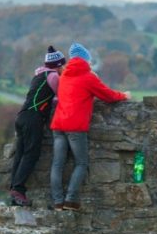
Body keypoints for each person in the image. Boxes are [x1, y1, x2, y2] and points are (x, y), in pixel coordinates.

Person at [49, 42, 130, 211]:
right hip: (75, 126)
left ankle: (57, 202)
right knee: (81, 163)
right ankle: (71, 200)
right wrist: (124, 95)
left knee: (57, 164)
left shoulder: (64, 75)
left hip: (58, 124)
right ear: (86, 60)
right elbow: (108, 95)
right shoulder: (88, 77)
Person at [7, 46, 66, 207]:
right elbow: (63, 96)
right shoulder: (53, 76)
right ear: (58, 65)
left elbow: (45, 97)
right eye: (62, 66)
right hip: (34, 118)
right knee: (31, 154)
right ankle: (19, 190)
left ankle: (14, 189)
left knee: (20, 153)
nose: (63, 69)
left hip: (22, 116)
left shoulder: (39, 75)